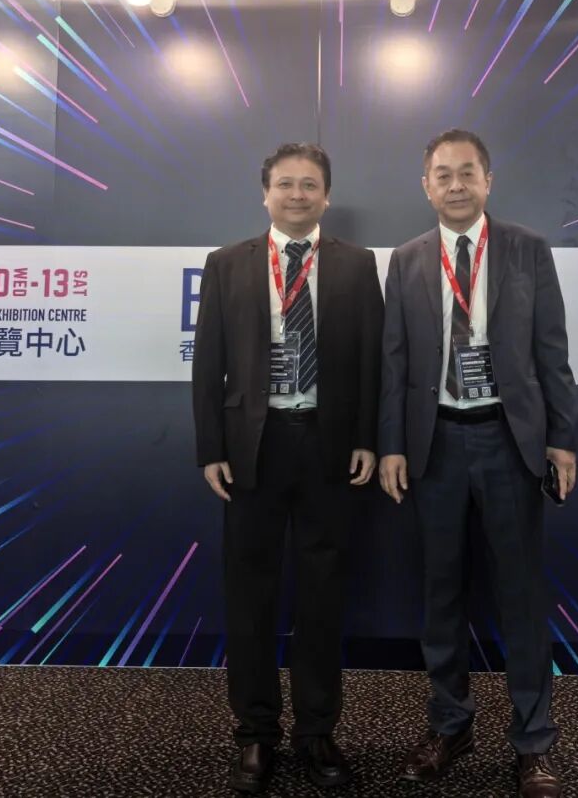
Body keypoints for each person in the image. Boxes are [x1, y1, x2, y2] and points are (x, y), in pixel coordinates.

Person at [377, 129, 578, 798]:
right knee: (441, 594)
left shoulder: (527, 249)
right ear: (426, 186)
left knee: (520, 596)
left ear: (488, 181)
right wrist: (393, 444)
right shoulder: (407, 259)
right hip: (434, 443)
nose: (456, 184)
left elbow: (552, 351)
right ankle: (450, 724)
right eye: (443, 174)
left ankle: (533, 742)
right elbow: (394, 361)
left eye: (468, 172)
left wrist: (563, 438)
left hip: (507, 441)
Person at [192, 143, 384, 793]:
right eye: (284, 184)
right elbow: (208, 364)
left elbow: (371, 361)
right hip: (255, 445)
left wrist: (367, 438)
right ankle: (255, 733)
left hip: (328, 442)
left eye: (309, 185)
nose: (296, 195)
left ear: (327, 195)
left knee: (322, 594)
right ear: (265, 193)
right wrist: (211, 448)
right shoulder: (227, 264)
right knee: (251, 593)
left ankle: (317, 731)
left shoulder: (357, 265)